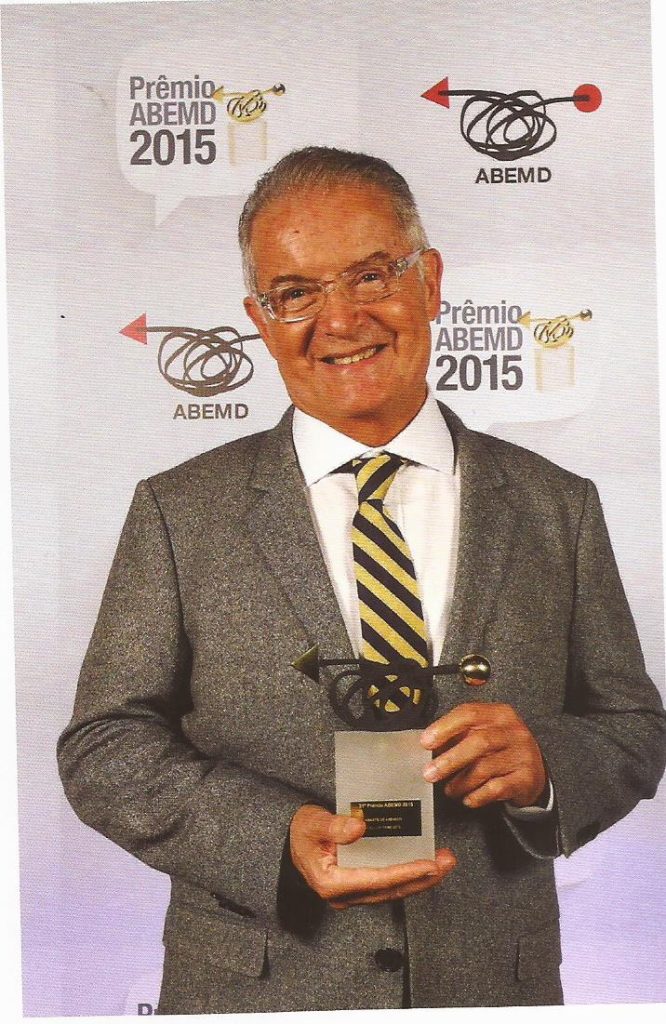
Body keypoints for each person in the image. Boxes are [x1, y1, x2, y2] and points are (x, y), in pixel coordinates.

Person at [57, 147, 666, 1014]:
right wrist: (273, 838)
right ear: (260, 319)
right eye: (296, 293)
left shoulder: (557, 506)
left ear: (431, 282)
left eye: (371, 275)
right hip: (256, 993)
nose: (339, 320)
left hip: (492, 989)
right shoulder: (179, 511)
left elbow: (631, 726)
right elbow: (104, 746)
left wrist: (545, 769)